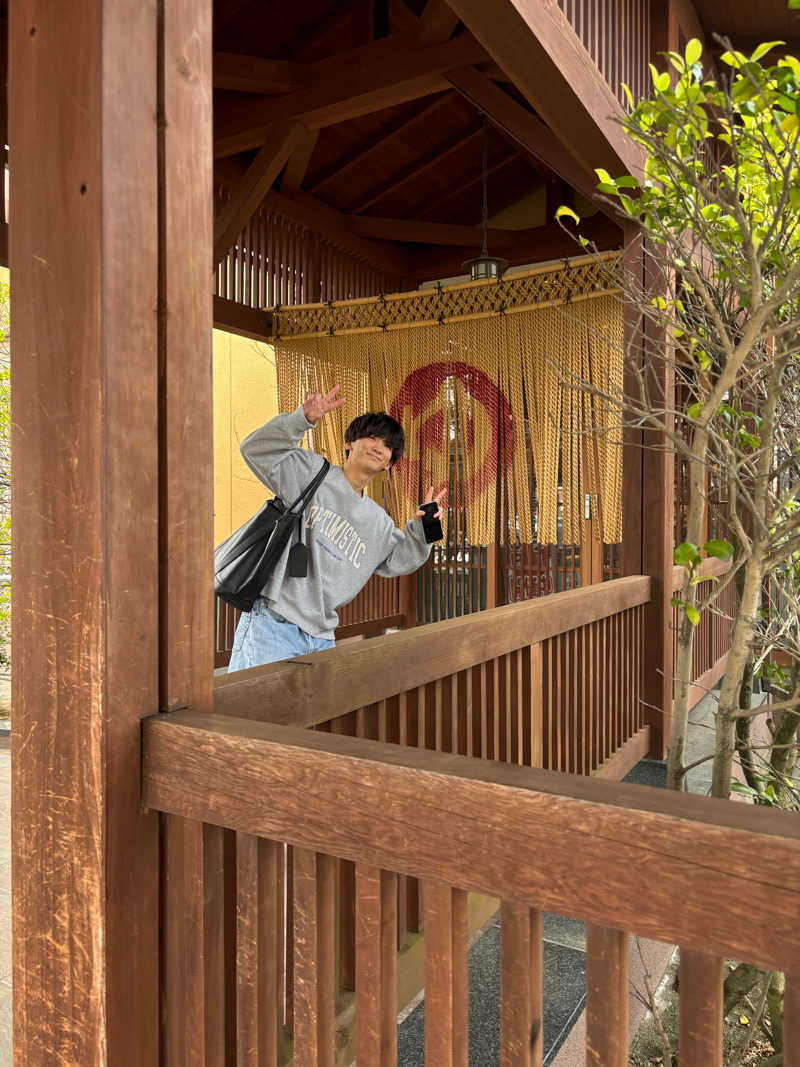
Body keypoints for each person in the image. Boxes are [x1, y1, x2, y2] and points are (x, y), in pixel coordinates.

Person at [227, 386, 445, 670]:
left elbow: (401, 560)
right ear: (349, 443)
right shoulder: (311, 473)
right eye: (371, 437)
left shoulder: (379, 523)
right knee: (251, 712)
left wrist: (426, 528)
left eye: (388, 446)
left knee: (312, 716)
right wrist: (300, 419)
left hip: (321, 638)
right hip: (273, 624)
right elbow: (254, 450)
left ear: (390, 463)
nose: (379, 447)